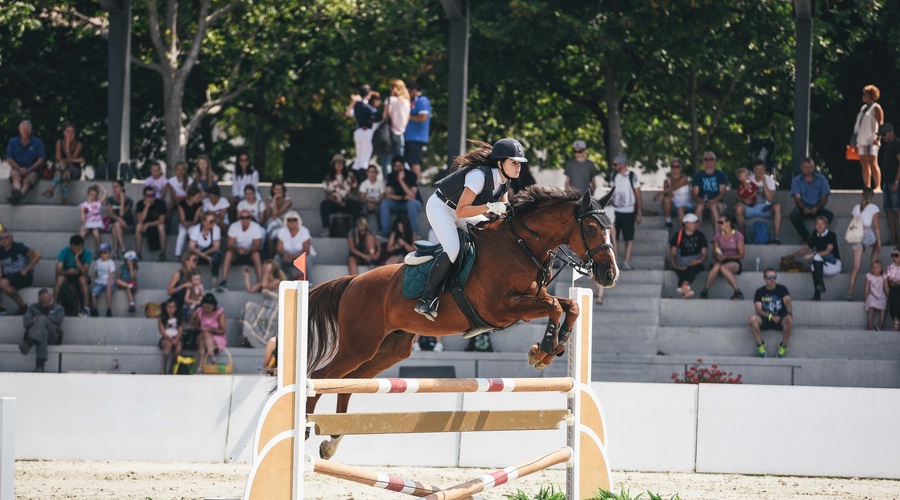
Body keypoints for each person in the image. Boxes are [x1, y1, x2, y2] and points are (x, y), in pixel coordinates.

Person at [415, 138, 522, 320]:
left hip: (462, 211)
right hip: (441, 207)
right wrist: (489, 207)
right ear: (500, 163)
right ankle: (427, 299)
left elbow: (505, 212)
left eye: (519, 163)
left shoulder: (505, 181)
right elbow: (461, 210)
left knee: (489, 234)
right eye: (513, 162)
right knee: (453, 248)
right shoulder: (479, 176)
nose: (518, 166)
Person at [607, 153, 642, 271]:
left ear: (622, 164)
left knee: (629, 237)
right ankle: (615, 260)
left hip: (629, 210)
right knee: (614, 237)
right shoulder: (613, 176)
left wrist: (639, 212)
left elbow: (638, 195)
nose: (614, 166)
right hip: (615, 210)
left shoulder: (632, 176)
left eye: (616, 164)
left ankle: (626, 261)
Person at [735, 160, 783, 243]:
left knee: (778, 206)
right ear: (753, 169)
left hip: (765, 207)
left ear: (765, 169)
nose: (759, 171)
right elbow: (737, 196)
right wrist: (744, 200)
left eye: (761, 169)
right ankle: (743, 238)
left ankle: (776, 238)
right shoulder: (747, 178)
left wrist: (764, 183)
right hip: (750, 207)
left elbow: (770, 199)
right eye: (757, 169)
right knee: (738, 208)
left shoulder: (770, 180)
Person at [748, 270, 793, 359]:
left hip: (781, 318)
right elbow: (758, 310)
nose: (772, 280)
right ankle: (760, 345)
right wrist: (771, 316)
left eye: (774, 277)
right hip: (766, 318)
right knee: (752, 319)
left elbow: (787, 301)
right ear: (764, 278)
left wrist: (789, 313)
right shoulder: (760, 291)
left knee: (790, 320)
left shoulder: (782, 288)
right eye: (769, 277)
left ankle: (783, 346)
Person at [240, 260, 285, 348]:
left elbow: (264, 286)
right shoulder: (264, 280)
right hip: (266, 305)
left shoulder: (277, 281)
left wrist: (266, 274)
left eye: (267, 268)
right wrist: (247, 276)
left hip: (275, 307)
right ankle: (247, 335)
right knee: (249, 305)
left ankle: (263, 341)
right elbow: (251, 290)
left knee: (268, 316)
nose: (264, 269)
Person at [795, 216, 842, 301]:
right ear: (815, 226)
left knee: (816, 257)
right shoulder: (815, 235)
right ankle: (817, 294)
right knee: (814, 264)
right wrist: (792, 256)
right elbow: (807, 248)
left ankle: (821, 285)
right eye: (817, 224)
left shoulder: (831, 235)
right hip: (821, 265)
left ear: (826, 225)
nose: (820, 226)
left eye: (822, 224)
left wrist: (811, 255)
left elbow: (827, 251)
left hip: (833, 265)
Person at [847, 188, 882, 301]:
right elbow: (876, 226)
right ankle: (873, 266)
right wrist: (879, 241)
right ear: (871, 197)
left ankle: (851, 291)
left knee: (856, 267)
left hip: (856, 236)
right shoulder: (873, 207)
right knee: (876, 246)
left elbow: (852, 223)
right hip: (867, 234)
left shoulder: (856, 207)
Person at [699, 213, 745, 300]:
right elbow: (714, 252)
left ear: (728, 222)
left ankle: (737, 291)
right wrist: (718, 256)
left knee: (723, 268)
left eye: (721, 222)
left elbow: (741, 255)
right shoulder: (718, 235)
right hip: (721, 259)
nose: (719, 225)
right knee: (716, 266)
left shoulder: (737, 235)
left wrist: (727, 257)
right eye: (718, 222)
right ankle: (705, 291)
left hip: (734, 260)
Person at [789, 157, 834, 242]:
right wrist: (804, 208)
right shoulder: (796, 180)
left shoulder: (821, 179)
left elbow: (825, 197)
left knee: (829, 215)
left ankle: (815, 236)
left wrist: (817, 207)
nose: (809, 170)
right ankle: (805, 236)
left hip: (817, 206)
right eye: (806, 168)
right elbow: (797, 198)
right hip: (802, 207)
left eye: (811, 167)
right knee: (794, 215)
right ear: (802, 167)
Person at [219, 208, 265, 290]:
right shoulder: (234, 226)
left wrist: (248, 250)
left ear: (251, 218)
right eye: (243, 217)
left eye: (247, 217)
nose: (245, 219)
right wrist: (238, 249)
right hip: (236, 253)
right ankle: (224, 281)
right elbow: (229, 244)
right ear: (239, 218)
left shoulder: (256, 227)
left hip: (250, 252)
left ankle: (260, 282)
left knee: (256, 255)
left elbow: (257, 245)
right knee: (228, 253)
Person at [19, 289, 64, 372]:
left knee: (42, 319)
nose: (45, 297)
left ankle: (29, 342)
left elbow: (58, 319)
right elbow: (26, 322)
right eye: (42, 295)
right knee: (43, 332)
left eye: (46, 295)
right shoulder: (32, 308)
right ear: (39, 298)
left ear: (51, 297)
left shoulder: (58, 308)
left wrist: (38, 319)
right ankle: (40, 366)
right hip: (40, 334)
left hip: (53, 335)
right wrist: (37, 321)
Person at [0, 228, 41, 316]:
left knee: (2, 283)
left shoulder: (18, 247)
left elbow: (37, 255)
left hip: (23, 275)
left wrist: (26, 269)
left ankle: (22, 306)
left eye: (6, 237)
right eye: (1, 238)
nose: (4, 240)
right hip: (9, 276)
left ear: (12, 238)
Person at [319, 154, 362, 236]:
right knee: (324, 205)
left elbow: (355, 187)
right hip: (335, 202)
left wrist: (353, 196)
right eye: (337, 163)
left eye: (341, 163)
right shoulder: (328, 177)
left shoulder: (349, 176)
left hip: (347, 202)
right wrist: (337, 202)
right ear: (333, 165)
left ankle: (355, 229)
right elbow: (327, 194)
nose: (339, 165)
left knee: (358, 206)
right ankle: (326, 229)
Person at [380, 156, 423, 237]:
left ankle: (414, 233)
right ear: (393, 166)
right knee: (385, 203)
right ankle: (384, 233)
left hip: (413, 202)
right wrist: (402, 198)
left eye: (400, 166)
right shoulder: (391, 176)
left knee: (412, 203)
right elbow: (388, 195)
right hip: (398, 202)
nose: (399, 168)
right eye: (396, 166)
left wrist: (401, 180)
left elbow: (411, 195)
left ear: (404, 166)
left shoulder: (411, 175)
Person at [6, 119, 46, 205]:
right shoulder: (13, 142)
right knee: (15, 177)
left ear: (31, 130)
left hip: (33, 170)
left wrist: (29, 169)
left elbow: (41, 159)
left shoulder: (37, 142)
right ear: (19, 130)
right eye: (24, 129)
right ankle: (17, 193)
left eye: (28, 129)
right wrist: (19, 169)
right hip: (17, 168)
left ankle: (18, 196)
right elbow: (9, 158)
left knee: (27, 181)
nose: (26, 131)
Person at [668, 213, 708, 299]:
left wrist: (699, 261)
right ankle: (685, 290)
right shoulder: (678, 235)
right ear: (686, 224)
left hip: (696, 261)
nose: (695, 225)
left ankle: (684, 286)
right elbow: (672, 253)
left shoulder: (700, 235)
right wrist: (675, 266)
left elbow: (704, 252)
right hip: (681, 261)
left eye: (696, 222)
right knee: (681, 270)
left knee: (693, 268)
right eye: (693, 223)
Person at [44, 121, 84, 204]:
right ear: (64, 133)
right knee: (65, 172)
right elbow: (58, 159)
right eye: (68, 131)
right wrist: (77, 160)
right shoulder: (59, 142)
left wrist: (68, 145)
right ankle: (65, 199)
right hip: (64, 170)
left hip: (75, 170)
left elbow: (69, 158)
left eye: (72, 131)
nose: (70, 134)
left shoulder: (78, 144)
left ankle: (51, 189)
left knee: (64, 165)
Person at [853, 84, 884, 191]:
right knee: (864, 164)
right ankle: (867, 186)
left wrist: (878, 138)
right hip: (862, 140)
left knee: (873, 162)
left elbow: (881, 124)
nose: (863, 96)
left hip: (872, 139)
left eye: (864, 94)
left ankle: (878, 186)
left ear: (870, 95)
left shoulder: (876, 108)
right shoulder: (863, 108)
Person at [379, 79, 411, 178]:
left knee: (386, 160)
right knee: (401, 160)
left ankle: (388, 182)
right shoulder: (406, 102)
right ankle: (409, 178)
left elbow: (385, 116)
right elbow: (407, 118)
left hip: (389, 134)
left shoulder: (390, 100)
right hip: (400, 133)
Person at [346, 84, 379, 181]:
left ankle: (354, 175)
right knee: (365, 158)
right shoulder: (366, 106)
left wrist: (354, 102)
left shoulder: (357, 105)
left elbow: (348, 113)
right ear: (368, 94)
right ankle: (361, 178)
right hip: (366, 132)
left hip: (358, 132)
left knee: (359, 158)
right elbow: (377, 114)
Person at [54, 235, 93, 316]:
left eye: (79, 248)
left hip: (80, 275)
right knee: (60, 279)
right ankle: (54, 305)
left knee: (83, 279)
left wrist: (76, 259)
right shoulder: (64, 251)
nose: (76, 250)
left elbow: (85, 272)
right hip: (66, 275)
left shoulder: (87, 253)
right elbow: (57, 271)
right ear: (71, 245)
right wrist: (67, 272)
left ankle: (86, 308)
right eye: (74, 248)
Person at [274, 211, 315, 281]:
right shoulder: (282, 231)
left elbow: (306, 251)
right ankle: (277, 282)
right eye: (289, 220)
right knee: (277, 258)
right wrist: (284, 255)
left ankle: (309, 283)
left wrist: (291, 256)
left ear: (298, 221)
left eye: (294, 220)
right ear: (286, 221)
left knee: (307, 259)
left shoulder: (304, 230)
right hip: (287, 257)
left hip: (302, 256)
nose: (292, 222)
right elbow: (279, 249)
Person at [653, 157, 692, 231]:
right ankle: (668, 222)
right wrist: (665, 192)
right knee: (666, 199)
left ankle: (683, 233)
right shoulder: (666, 181)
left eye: (677, 166)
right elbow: (668, 194)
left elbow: (675, 187)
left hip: (686, 207)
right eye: (672, 166)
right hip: (674, 207)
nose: (675, 168)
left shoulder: (684, 178)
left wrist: (661, 193)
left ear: (681, 168)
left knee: (680, 210)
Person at [192, 293, 226, 373]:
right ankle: (213, 358)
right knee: (205, 335)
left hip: (217, 337)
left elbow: (223, 330)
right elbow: (195, 326)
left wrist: (212, 330)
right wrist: (202, 328)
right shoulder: (200, 312)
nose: (206, 309)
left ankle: (200, 367)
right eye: (204, 307)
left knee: (202, 341)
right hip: (202, 334)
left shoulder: (219, 313)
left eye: (208, 307)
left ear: (213, 306)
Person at [188, 212, 223, 289]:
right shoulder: (196, 229)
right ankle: (189, 280)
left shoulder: (216, 229)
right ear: (204, 222)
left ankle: (215, 279)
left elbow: (216, 247)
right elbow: (191, 247)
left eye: (214, 221)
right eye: (211, 221)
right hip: (197, 251)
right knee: (190, 259)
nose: (213, 223)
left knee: (216, 256)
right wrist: (203, 256)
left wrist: (204, 254)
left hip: (209, 251)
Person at [405, 81, 432, 179]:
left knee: (414, 161)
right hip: (410, 136)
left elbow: (423, 117)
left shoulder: (422, 100)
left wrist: (408, 117)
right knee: (409, 161)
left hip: (416, 137)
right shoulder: (413, 101)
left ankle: (416, 183)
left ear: (414, 90)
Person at [878, 123, 900, 244]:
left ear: (891, 132)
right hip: (887, 182)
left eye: (885, 135)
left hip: (895, 182)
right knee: (888, 210)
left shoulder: (897, 144)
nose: (884, 138)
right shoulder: (889, 146)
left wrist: (897, 181)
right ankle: (893, 238)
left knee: (897, 210)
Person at [691, 151, 728, 224]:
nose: (708, 161)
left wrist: (713, 200)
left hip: (718, 202)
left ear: (715, 161)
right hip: (701, 202)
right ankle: (693, 233)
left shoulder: (721, 175)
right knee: (699, 206)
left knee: (713, 206)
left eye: (711, 159)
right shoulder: (697, 175)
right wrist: (700, 200)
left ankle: (716, 235)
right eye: (706, 159)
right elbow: (695, 193)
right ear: (703, 162)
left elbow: (722, 193)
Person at [135, 185, 168, 261]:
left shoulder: (160, 203)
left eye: (153, 195)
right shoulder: (140, 204)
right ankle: (138, 254)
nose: (151, 198)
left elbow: (162, 220)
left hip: (156, 224)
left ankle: (163, 253)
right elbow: (140, 220)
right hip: (144, 226)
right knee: (138, 227)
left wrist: (148, 224)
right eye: (149, 195)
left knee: (161, 227)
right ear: (144, 196)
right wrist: (146, 207)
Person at [105, 179, 135, 259]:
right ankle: (121, 249)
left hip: (127, 225)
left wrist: (122, 199)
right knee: (116, 226)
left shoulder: (129, 201)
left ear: (122, 187)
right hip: (114, 224)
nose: (114, 189)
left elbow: (122, 214)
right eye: (113, 187)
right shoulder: (110, 200)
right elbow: (111, 214)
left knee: (117, 225)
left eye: (116, 187)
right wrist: (119, 219)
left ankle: (116, 252)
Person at [175, 186, 204, 260]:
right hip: (184, 224)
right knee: (182, 232)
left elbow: (195, 220)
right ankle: (177, 254)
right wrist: (185, 223)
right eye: (198, 197)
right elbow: (182, 219)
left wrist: (190, 224)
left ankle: (195, 253)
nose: (199, 199)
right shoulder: (181, 204)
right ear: (191, 197)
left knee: (192, 232)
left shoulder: (200, 205)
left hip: (194, 224)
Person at [166, 253, 199, 319]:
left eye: (197, 260)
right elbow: (169, 291)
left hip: (189, 303)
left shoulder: (195, 275)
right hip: (178, 303)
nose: (196, 262)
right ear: (186, 261)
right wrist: (183, 286)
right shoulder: (178, 274)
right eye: (194, 260)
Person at [89, 242, 117, 317]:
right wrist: (90, 275)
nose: (103, 254)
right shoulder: (98, 262)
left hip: (108, 282)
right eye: (101, 252)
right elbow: (96, 273)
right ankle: (94, 310)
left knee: (108, 293)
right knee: (93, 293)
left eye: (105, 252)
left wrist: (109, 286)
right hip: (99, 282)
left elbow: (111, 275)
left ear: (109, 253)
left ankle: (109, 310)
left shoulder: (111, 262)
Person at [165, 161, 194, 232]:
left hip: (186, 200)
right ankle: (167, 223)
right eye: (178, 169)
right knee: (170, 204)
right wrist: (177, 198)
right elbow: (172, 195)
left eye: (182, 169)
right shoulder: (171, 181)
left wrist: (183, 198)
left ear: (185, 170)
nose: (180, 171)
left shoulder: (190, 180)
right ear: (175, 170)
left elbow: (190, 195)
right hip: (176, 200)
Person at [157, 298, 184, 374]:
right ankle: (162, 370)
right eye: (169, 307)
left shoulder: (179, 318)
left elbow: (180, 331)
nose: (171, 309)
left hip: (176, 338)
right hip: (166, 338)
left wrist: (176, 340)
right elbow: (163, 332)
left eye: (173, 307)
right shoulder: (161, 318)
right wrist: (171, 340)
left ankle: (172, 370)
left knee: (179, 348)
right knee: (168, 346)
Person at [78, 183, 108, 251]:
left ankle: (99, 251)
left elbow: (106, 193)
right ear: (88, 194)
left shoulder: (98, 203)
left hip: (96, 224)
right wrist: (83, 225)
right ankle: (78, 250)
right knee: (81, 234)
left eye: (95, 195)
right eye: (91, 195)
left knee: (96, 234)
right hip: (87, 223)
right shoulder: (83, 205)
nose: (93, 197)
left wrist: (99, 185)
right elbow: (82, 216)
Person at [865, 260, 888, 331]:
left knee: (883, 303)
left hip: (881, 294)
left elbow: (886, 287)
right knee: (871, 304)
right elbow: (867, 287)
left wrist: (888, 296)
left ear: (881, 269)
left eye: (877, 267)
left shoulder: (883, 277)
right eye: (873, 267)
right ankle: (869, 323)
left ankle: (880, 323)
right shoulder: (869, 276)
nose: (875, 269)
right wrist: (865, 297)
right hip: (872, 294)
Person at [886, 248, 900, 331]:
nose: (894, 257)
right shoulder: (890, 267)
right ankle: (896, 319)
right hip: (894, 290)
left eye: (896, 255)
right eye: (892, 255)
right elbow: (890, 283)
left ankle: (896, 321)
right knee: (895, 291)